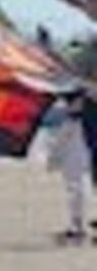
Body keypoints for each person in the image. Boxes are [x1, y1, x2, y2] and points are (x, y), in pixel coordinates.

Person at [48, 94, 92, 243]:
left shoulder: (76, 119)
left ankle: (77, 226)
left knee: (75, 184)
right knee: (76, 184)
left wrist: (54, 157)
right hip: (82, 130)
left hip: (81, 131)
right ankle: (77, 225)